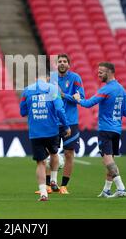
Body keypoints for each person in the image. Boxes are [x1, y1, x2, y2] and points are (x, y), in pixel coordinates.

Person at [76, 62, 126, 198]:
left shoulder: (106, 90)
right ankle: (106, 190)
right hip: (117, 130)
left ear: (110, 72)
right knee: (109, 159)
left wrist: (77, 99)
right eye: (98, 71)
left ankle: (121, 188)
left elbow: (88, 104)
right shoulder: (122, 90)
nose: (98, 74)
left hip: (105, 129)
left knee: (107, 160)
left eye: (101, 72)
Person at [20, 66, 71, 201]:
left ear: (35, 78)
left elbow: (22, 112)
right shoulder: (53, 89)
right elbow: (60, 110)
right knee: (54, 153)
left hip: (35, 132)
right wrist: (66, 126)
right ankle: (53, 179)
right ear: (48, 78)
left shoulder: (27, 91)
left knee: (40, 162)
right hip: (51, 130)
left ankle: (43, 193)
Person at [47, 53, 85, 194]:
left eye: (64, 61)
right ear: (57, 64)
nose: (62, 63)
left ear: (68, 64)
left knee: (69, 153)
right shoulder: (51, 79)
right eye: (60, 61)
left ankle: (64, 186)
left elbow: (81, 98)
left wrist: (64, 95)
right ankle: (49, 185)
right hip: (53, 121)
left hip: (70, 121)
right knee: (50, 153)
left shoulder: (75, 78)